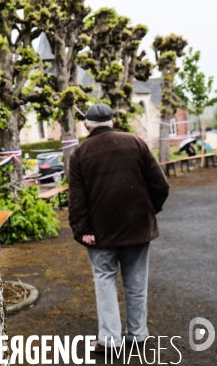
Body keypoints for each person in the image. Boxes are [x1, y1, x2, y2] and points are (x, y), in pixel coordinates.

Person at [69, 104, 170, 352]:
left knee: (104, 282)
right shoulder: (136, 142)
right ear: (112, 122)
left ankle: (110, 341)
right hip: (138, 228)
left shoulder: (80, 154)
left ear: (86, 125)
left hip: (100, 234)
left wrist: (83, 230)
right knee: (136, 283)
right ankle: (137, 334)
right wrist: (148, 211)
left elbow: (77, 200)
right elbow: (161, 186)